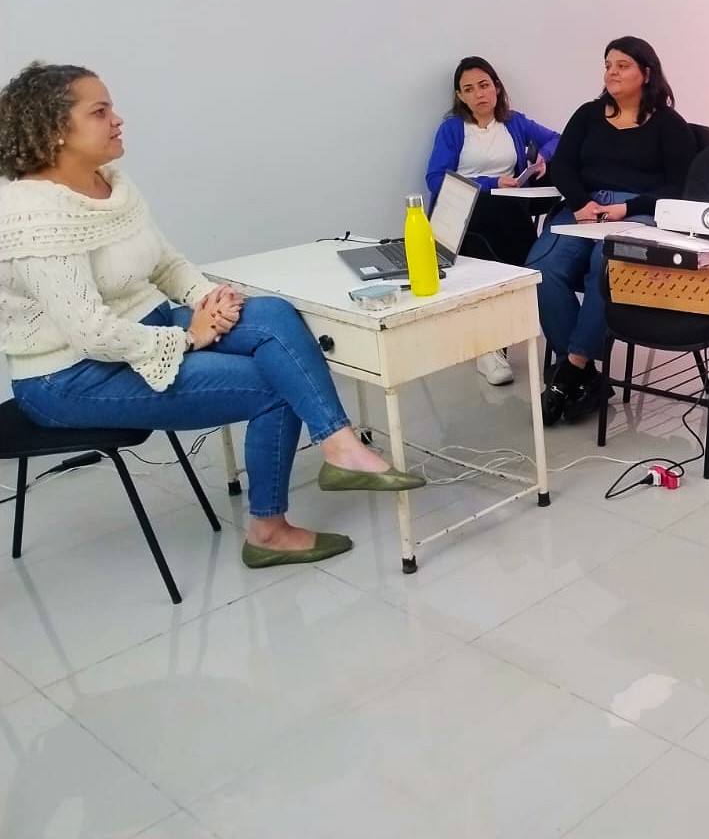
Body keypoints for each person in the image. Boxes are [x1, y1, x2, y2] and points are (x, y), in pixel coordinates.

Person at [0, 62, 424, 570]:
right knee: (275, 384)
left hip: (147, 328)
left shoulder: (110, 183)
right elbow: (91, 333)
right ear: (54, 129)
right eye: (100, 111)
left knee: (272, 313)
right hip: (71, 376)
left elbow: (165, 263)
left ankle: (339, 445)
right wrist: (190, 339)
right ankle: (269, 531)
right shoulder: (31, 214)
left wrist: (209, 301)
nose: (117, 119)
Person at [529, 36, 698, 425]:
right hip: (584, 207)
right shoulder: (588, 114)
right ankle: (586, 377)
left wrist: (628, 207)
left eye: (622, 65)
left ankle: (570, 370)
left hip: (638, 211)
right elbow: (562, 166)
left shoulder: (668, 124)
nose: (612, 72)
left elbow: (681, 185)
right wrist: (579, 204)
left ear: (646, 73)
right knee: (540, 268)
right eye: (608, 65)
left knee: (603, 269)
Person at [425, 55, 560, 385]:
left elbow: (557, 138)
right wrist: (490, 183)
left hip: (506, 211)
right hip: (461, 211)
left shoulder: (514, 122)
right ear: (460, 96)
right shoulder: (452, 129)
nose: (478, 94)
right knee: (508, 240)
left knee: (508, 229)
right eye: (469, 89)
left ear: (497, 87)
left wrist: (543, 158)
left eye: (484, 85)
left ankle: (500, 340)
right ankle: (490, 345)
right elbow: (435, 179)